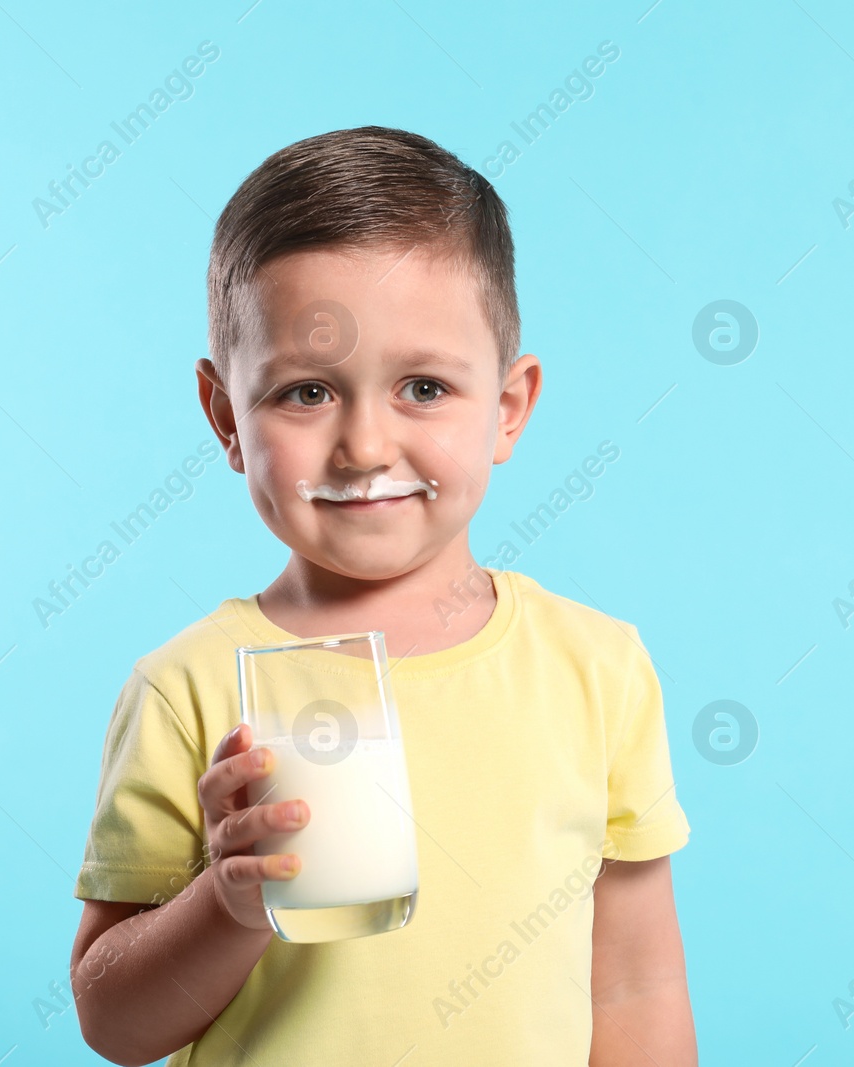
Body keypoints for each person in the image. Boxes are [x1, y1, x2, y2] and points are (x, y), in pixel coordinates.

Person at [69, 125, 695, 1066]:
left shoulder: (596, 668)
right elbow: (113, 1021)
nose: (365, 445)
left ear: (509, 409)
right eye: (307, 393)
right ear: (224, 416)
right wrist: (229, 902)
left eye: (424, 386)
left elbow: (637, 982)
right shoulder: (189, 686)